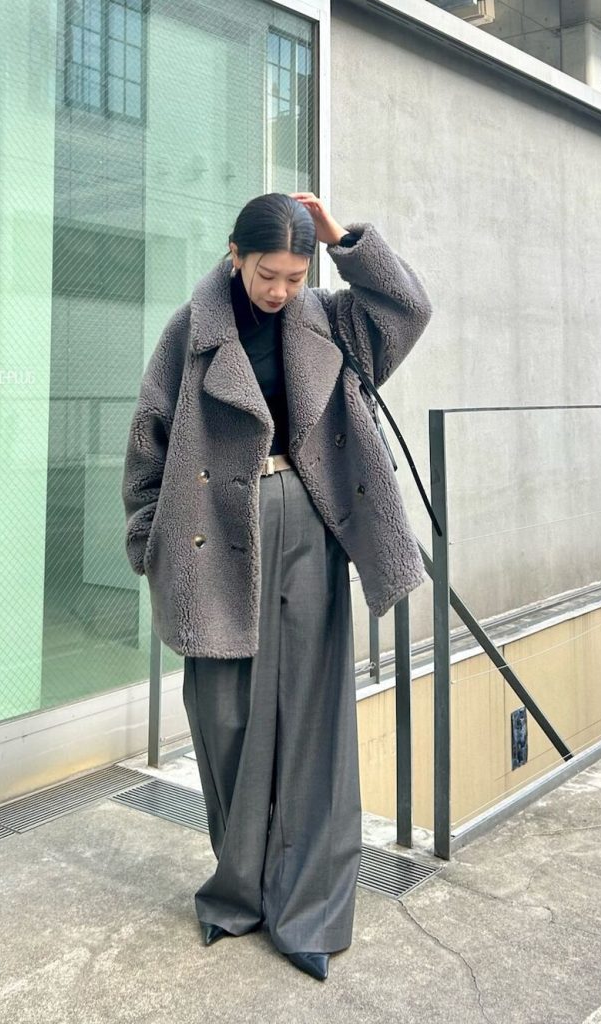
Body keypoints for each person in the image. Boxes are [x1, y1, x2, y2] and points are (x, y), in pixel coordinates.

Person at [122, 192, 433, 981]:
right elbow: (149, 439)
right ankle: (239, 893)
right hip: (212, 538)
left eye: (295, 275)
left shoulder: (326, 317)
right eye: (268, 274)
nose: (281, 290)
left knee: (314, 720)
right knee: (224, 716)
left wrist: (343, 239)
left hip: (311, 521)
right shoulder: (191, 333)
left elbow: (407, 310)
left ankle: (311, 912)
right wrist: (148, 542)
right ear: (235, 255)